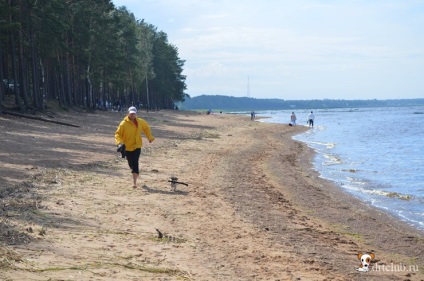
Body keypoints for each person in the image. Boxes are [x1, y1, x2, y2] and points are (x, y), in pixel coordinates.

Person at [115, 106, 155, 188]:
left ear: (136, 113)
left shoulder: (140, 122)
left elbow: (146, 129)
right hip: (127, 147)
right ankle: (136, 173)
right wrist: (119, 143)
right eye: (131, 113)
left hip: (137, 146)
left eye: (134, 113)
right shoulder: (123, 124)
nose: (132, 115)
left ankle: (134, 183)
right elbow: (117, 134)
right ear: (128, 114)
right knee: (131, 164)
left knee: (135, 162)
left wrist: (150, 137)